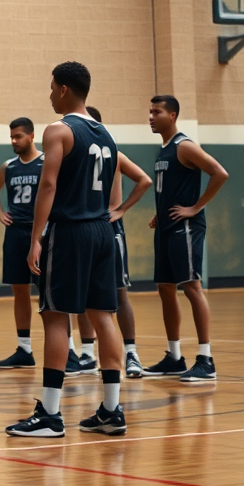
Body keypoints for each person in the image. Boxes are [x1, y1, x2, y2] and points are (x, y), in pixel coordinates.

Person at [6, 62, 125, 438]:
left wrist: (36, 237)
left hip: (70, 231)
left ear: (62, 90)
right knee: (103, 316)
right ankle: (111, 409)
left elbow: (48, 186)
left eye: (51, 86)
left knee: (56, 316)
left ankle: (50, 415)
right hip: (103, 229)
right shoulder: (106, 133)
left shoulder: (58, 130)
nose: (49, 93)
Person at [143, 95, 229, 382]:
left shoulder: (185, 146)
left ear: (173, 115)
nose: (151, 116)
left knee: (191, 286)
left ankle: (206, 359)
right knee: (165, 287)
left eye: (157, 112)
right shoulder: (164, 149)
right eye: (150, 111)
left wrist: (196, 206)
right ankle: (174, 357)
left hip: (187, 227)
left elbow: (220, 173)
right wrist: (160, 214)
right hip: (167, 226)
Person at [86, 106, 153, 379]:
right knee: (85, 295)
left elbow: (143, 179)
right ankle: (86, 352)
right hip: (86, 228)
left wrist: (121, 209)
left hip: (110, 230)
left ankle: (131, 352)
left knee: (119, 293)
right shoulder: (74, 151)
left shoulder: (111, 150)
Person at [0, 118, 42, 369]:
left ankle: (70, 348)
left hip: (41, 234)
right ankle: (24, 348)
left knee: (50, 291)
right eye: (11, 137)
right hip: (15, 233)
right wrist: (0, 213)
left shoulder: (46, 163)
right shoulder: (9, 167)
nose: (14, 141)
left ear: (31, 136)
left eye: (18, 136)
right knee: (19, 290)